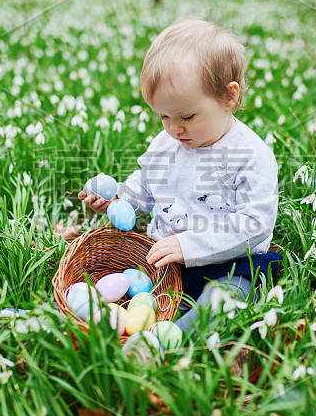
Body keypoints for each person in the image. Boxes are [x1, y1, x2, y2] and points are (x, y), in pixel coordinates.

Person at [78, 18, 282, 332]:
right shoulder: (166, 145)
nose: (174, 128)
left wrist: (190, 245)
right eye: (163, 116)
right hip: (166, 259)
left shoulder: (250, 156)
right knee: (130, 286)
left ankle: (179, 336)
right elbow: (146, 187)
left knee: (225, 296)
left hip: (229, 263)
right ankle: (116, 322)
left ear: (229, 97)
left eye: (186, 116)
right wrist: (118, 199)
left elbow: (255, 224)